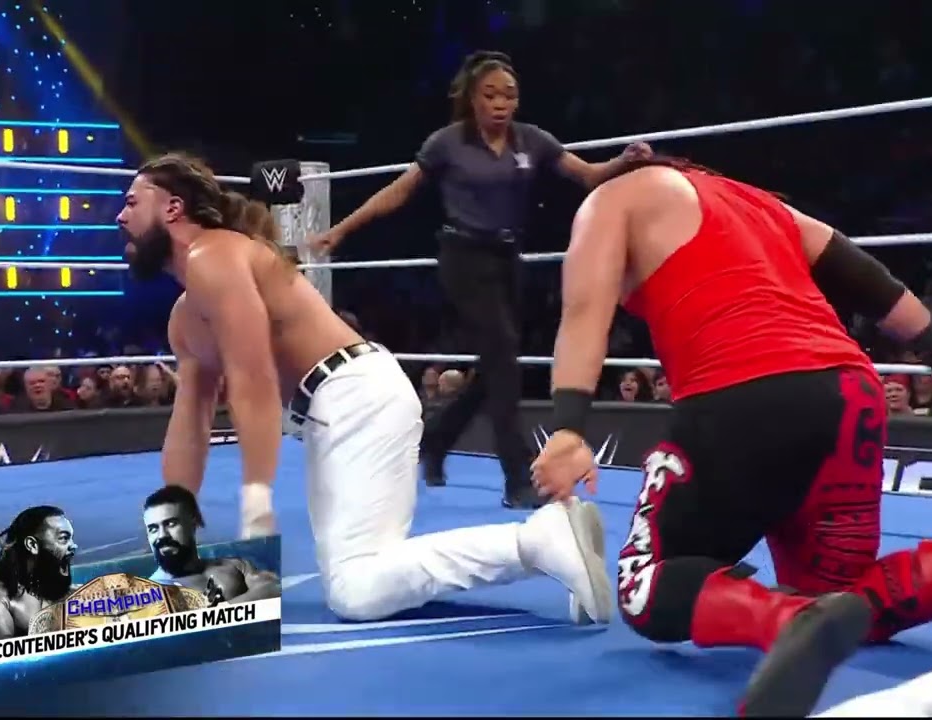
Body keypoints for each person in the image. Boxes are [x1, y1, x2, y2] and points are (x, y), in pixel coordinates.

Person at [529, 156, 932, 716]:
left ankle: (785, 620)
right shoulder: (757, 202)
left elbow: (583, 314)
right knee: (847, 597)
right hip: (850, 393)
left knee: (644, 582)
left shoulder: (610, 200)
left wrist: (569, 428)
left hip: (743, 393)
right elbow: (863, 275)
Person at [116, 152, 613, 624]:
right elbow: (191, 421)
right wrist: (174, 529)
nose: (120, 217)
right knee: (365, 571)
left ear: (173, 208)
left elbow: (253, 375)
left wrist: (257, 494)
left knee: (356, 589)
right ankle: (542, 540)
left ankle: (536, 541)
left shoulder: (215, 256)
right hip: (338, 406)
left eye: (132, 202)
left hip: (354, 396)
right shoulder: (185, 318)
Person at [310, 50, 652, 509]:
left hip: (509, 259)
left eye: (509, 95)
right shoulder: (447, 143)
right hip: (463, 257)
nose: (500, 103)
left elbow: (588, 175)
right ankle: (517, 478)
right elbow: (399, 191)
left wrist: (624, 161)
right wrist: (342, 229)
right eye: (490, 95)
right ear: (472, 98)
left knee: (497, 362)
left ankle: (437, 439)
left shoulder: (531, 140)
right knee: (504, 359)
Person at [143, 485, 280, 604]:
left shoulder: (235, 566)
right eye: (153, 529)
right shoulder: (150, 593)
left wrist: (219, 611)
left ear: (194, 523)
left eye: (171, 524)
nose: (162, 535)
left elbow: (272, 588)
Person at [0, 506, 78, 644]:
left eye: (71, 539)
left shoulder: (69, 595)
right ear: (32, 545)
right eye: (64, 538)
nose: (74, 545)